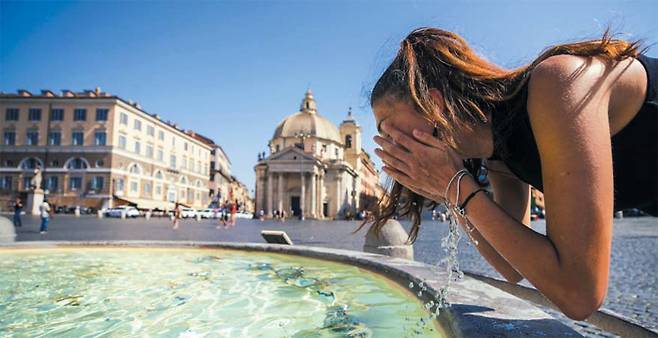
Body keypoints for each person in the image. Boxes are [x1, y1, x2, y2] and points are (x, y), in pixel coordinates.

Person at [361, 27, 656, 320]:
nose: (387, 144)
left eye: (386, 127)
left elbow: (580, 294)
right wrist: (450, 193)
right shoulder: (498, 154)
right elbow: (511, 267)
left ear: (433, 104)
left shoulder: (556, 84)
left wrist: (457, 186)